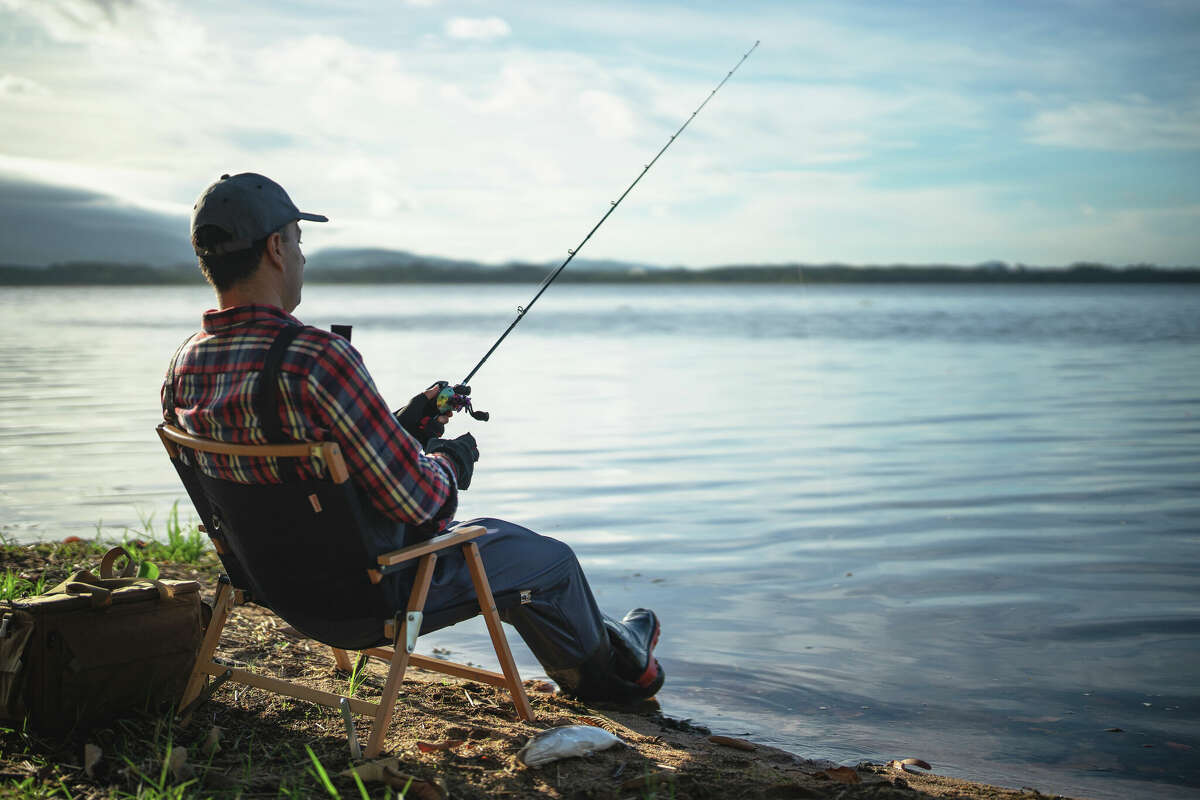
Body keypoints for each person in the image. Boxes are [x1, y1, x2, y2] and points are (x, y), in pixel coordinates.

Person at [162, 172, 662, 702]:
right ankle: (613, 679)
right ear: (276, 248)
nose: (303, 258)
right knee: (547, 560)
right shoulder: (316, 358)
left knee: (514, 556)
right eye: (299, 242)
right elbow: (422, 502)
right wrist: (449, 460)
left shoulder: (183, 366)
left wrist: (404, 427)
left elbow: (300, 462)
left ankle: (619, 645)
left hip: (273, 588)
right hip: (368, 599)